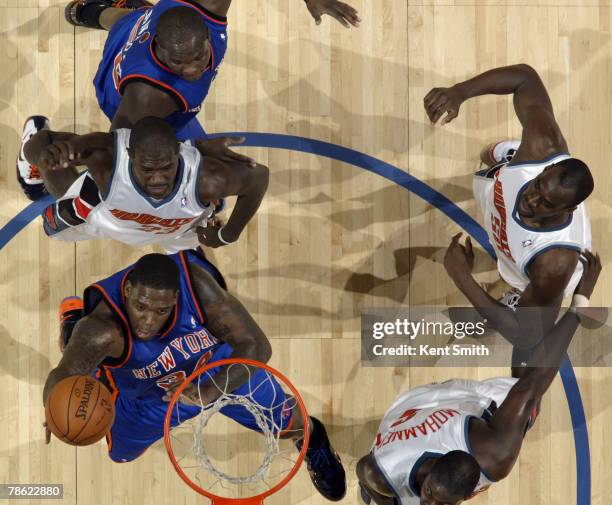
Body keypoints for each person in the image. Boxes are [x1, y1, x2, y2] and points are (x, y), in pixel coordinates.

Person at [43, 251, 347, 501]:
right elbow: (63, 375)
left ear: (176, 298)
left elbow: (257, 345)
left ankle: (315, 441)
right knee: (121, 452)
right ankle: (73, 324)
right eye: (140, 307)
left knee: (294, 424)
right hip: (150, 396)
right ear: (126, 293)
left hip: (222, 369)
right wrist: (54, 407)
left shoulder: (199, 289)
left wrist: (209, 390)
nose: (148, 321)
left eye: (161, 310)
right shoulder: (102, 331)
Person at [16, 0, 361, 200]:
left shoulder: (203, 8)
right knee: (116, 175)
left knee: (128, 18)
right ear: (159, 50)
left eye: (198, 56)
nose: (194, 68)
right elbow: (114, 155)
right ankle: (32, 150)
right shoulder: (149, 100)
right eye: (179, 63)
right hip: (120, 94)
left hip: (135, 31)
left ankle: (96, 10)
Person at [356, 251, 601, 505]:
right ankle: (518, 305)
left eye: (443, 504)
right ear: (432, 472)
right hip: (432, 406)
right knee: (527, 385)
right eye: (429, 494)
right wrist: (579, 305)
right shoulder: (495, 454)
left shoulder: (484, 461)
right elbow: (533, 384)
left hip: (450, 419)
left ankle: (505, 315)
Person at [424, 65, 594, 357]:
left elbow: (526, 338)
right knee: (487, 155)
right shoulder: (543, 146)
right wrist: (460, 92)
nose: (531, 200)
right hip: (502, 195)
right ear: (547, 167)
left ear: (569, 208)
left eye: (546, 203)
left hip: (530, 270)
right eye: (538, 185)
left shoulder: (553, 263)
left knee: (499, 321)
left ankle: (515, 297)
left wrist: (462, 277)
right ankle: (511, 154)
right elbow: (525, 77)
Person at [23, 116, 266, 251]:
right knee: (65, 209)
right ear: (130, 154)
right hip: (105, 219)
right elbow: (41, 147)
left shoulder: (207, 179)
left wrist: (228, 235)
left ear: (179, 153)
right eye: (148, 169)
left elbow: (258, 177)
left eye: (166, 167)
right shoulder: (105, 155)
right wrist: (47, 155)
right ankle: (30, 140)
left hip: (176, 230)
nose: (158, 179)